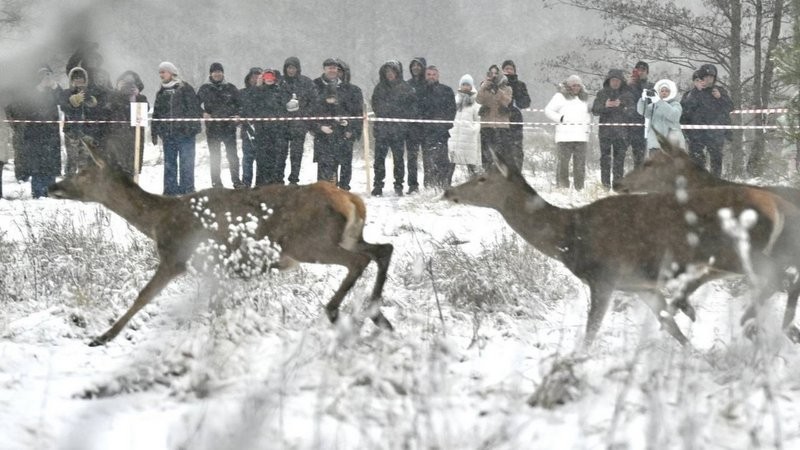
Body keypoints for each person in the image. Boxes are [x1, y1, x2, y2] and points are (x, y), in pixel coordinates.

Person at [3, 65, 62, 198]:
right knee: (37, 164)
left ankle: (51, 192)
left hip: (51, 132)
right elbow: (25, 106)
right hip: (34, 132)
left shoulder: (55, 89)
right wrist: (40, 88)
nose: (45, 78)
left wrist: (55, 87)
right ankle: (38, 192)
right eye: (42, 75)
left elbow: (63, 101)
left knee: (51, 164)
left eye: (48, 74)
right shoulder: (31, 90)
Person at [151, 61, 202, 195]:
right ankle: (170, 191)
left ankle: (187, 190)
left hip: (186, 135)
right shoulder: (161, 92)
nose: (161, 75)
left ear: (172, 73)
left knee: (187, 164)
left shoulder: (185, 88)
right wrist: (155, 131)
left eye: (163, 71)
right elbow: (156, 113)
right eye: (160, 72)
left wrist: (191, 129)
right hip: (168, 135)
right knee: (169, 165)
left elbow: (194, 109)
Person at [370, 60, 415, 196]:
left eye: (392, 72)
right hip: (382, 129)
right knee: (379, 160)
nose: (390, 74)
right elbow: (375, 105)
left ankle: (399, 184)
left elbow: (410, 107)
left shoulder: (405, 87)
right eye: (387, 72)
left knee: (398, 159)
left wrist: (399, 117)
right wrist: (385, 112)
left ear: (397, 73)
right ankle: (378, 185)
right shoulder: (379, 87)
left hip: (398, 130)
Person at [680, 64, 733, 177]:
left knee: (716, 159)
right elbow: (685, 110)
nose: (709, 79)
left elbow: (730, 107)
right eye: (706, 76)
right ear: (701, 77)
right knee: (697, 159)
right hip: (696, 133)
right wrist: (696, 91)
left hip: (715, 132)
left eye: (711, 77)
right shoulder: (691, 93)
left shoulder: (719, 91)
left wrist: (720, 98)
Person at [197, 62, 242, 189]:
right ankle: (216, 182)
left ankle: (236, 181)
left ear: (223, 73)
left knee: (232, 155)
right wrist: (203, 113)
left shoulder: (231, 88)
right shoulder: (205, 88)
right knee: (215, 157)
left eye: (219, 71)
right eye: (214, 72)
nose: (217, 74)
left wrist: (238, 115)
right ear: (210, 74)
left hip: (229, 128)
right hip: (212, 128)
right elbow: (195, 105)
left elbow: (240, 105)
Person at [544, 74, 592, 190]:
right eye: (574, 85)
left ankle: (579, 188)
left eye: (578, 85)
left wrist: (588, 129)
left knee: (580, 165)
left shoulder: (584, 98)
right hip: (564, 136)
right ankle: (562, 186)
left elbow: (588, 115)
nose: (576, 88)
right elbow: (548, 110)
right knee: (563, 164)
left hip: (581, 136)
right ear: (568, 85)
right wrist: (560, 118)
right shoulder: (559, 96)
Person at [591, 69, 636, 189]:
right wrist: (605, 106)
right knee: (605, 160)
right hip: (605, 132)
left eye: (617, 80)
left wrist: (621, 106)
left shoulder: (627, 94)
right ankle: (605, 186)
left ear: (621, 82)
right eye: (613, 80)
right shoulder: (602, 93)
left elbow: (633, 112)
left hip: (622, 133)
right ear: (608, 81)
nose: (615, 83)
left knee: (619, 161)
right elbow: (595, 110)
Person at [59, 66, 108, 175]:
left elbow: (97, 111)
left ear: (85, 80)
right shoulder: (66, 93)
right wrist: (73, 103)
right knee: (72, 161)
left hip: (88, 132)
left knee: (85, 162)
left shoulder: (91, 93)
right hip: (71, 132)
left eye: (81, 78)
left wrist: (90, 101)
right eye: (75, 78)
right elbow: (64, 108)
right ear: (71, 80)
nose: (78, 81)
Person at [277, 56, 316, 185]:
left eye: (293, 67)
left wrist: (303, 114)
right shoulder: (280, 82)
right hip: (282, 124)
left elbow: (313, 102)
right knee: (280, 153)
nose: (291, 70)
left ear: (298, 68)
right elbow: (274, 101)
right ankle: (279, 178)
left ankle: (294, 179)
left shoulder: (306, 82)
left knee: (296, 154)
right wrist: (283, 108)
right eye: (288, 68)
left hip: (299, 124)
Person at [104, 70, 148, 178]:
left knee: (133, 166)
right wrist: (119, 94)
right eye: (125, 83)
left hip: (134, 137)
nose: (128, 86)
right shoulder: (113, 96)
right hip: (117, 136)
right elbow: (109, 110)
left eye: (131, 83)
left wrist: (135, 97)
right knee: (118, 167)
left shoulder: (141, 98)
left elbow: (141, 116)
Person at [418, 65, 456, 188]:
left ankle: (442, 185)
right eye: (429, 74)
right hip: (425, 132)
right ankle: (429, 185)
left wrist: (445, 123)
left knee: (442, 160)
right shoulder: (420, 91)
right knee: (428, 161)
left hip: (441, 132)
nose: (431, 77)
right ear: (425, 75)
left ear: (438, 76)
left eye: (434, 74)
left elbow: (452, 109)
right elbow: (417, 110)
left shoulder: (446, 90)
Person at [252, 68, 288, 185]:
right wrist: (257, 88)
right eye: (266, 76)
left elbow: (284, 108)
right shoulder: (257, 91)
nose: (269, 79)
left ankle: (277, 184)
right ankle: (261, 185)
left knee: (278, 160)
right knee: (261, 161)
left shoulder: (280, 91)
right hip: (261, 132)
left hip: (278, 132)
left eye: (271, 76)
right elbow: (252, 106)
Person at [477, 66, 514, 171]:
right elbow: (478, 100)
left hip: (501, 125)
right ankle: (487, 174)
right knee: (486, 154)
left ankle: (500, 176)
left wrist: (497, 90)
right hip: (486, 124)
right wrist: (485, 86)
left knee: (500, 154)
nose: (493, 75)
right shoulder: (485, 86)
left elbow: (506, 101)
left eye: (495, 73)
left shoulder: (507, 88)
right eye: (491, 73)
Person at [637, 78, 686, 155]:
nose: (664, 93)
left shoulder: (675, 104)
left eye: (667, 91)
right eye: (662, 91)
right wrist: (642, 100)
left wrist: (659, 102)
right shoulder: (653, 106)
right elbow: (642, 112)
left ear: (671, 93)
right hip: (655, 144)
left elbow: (674, 116)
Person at [446, 74, 482, 172]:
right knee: (450, 166)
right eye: (463, 84)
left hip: (468, 140)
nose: (465, 87)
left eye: (468, 85)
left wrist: (473, 130)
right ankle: (446, 186)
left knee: (471, 169)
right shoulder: (454, 100)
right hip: (454, 139)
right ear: (460, 86)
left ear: (471, 86)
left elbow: (478, 120)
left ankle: (475, 187)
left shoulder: (475, 103)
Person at [502, 60, 531, 169]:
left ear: (514, 71)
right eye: (506, 69)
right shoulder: (498, 84)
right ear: (502, 70)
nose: (508, 71)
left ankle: (517, 173)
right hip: (500, 119)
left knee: (516, 149)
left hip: (515, 120)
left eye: (511, 69)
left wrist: (517, 95)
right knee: (501, 149)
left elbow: (526, 103)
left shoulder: (520, 84)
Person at [404, 57, 426, 194]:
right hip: (411, 127)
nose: (416, 68)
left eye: (418, 65)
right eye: (413, 65)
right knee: (412, 158)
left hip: (426, 126)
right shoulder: (407, 85)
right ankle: (413, 185)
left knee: (428, 157)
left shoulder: (428, 84)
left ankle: (430, 183)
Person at [626, 61, 654, 168]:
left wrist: (642, 86)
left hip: (643, 124)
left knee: (639, 157)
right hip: (627, 124)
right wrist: (626, 84)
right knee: (620, 154)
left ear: (647, 72)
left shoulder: (651, 86)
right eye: (638, 70)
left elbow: (654, 102)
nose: (641, 72)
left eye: (643, 70)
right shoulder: (628, 85)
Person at [239, 67, 262, 188]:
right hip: (247, 130)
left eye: (258, 77)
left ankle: (260, 184)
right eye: (253, 77)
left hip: (264, 132)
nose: (255, 79)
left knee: (261, 160)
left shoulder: (266, 92)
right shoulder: (242, 93)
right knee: (247, 159)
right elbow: (238, 109)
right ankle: (246, 183)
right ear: (249, 78)